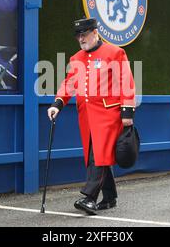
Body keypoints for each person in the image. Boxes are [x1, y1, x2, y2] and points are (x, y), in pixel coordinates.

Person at [47, 17, 136, 215]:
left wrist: (127, 111)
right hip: (86, 116)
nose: (81, 38)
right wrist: (57, 104)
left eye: (84, 34)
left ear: (95, 33)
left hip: (108, 114)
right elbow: (69, 84)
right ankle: (110, 197)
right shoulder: (76, 58)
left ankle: (89, 198)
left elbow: (126, 81)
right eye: (78, 35)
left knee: (99, 155)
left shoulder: (115, 52)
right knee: (93, 156)